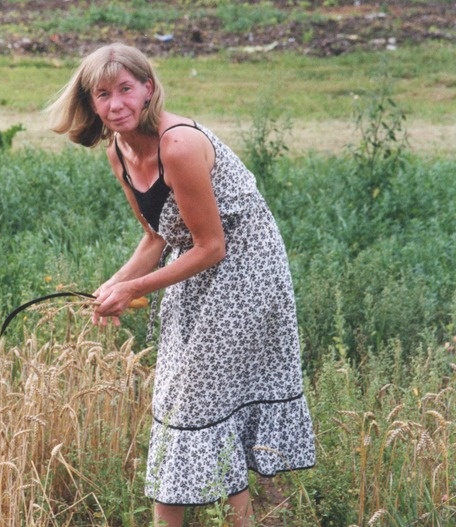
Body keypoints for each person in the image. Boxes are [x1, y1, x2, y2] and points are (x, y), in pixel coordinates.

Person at [45, 43, 316, 527]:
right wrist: (112, 285)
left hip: (246, 274)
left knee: (198, 403)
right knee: (179, 401)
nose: (116, 104)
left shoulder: (179, 145)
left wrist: (134, 290)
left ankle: (257, 518)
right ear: (91, 103)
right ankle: (269, 516)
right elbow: (157, 236)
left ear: (148, 88)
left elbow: (212, 245)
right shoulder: (119, 152)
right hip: (194, 271)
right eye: (102, 94)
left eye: (126, 89)